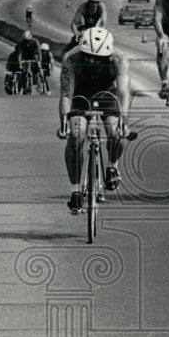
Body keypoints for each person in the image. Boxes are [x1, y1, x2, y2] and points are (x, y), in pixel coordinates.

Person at [57, 27, 131, 213]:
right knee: (76, 137)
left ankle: (112, 166)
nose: (92, 61)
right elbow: (67, 94)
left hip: (107, 93)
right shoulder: (71, 58)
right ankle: (75, 191)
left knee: (117, 135)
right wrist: (64, 122)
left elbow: (123, 93)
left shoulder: (119, 59)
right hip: (81, 94)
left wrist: (123, 120)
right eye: (87, 56)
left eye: (97, 59)